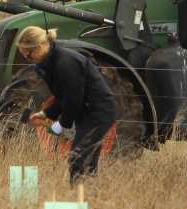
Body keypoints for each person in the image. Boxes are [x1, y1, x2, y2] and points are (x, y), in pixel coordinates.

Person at [18, 26, 117, 185]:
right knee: (85, 159)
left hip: (98, 111)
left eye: (28, 54)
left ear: (40, 46)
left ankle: (81, 196)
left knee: (78, 158)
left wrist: (61, 125)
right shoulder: (48, 64)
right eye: (24, 55)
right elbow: (62, 96)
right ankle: (89, 197)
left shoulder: (66, 63)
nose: (27, 58)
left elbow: (73, 98)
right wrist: (45, 114)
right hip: (85, 111)